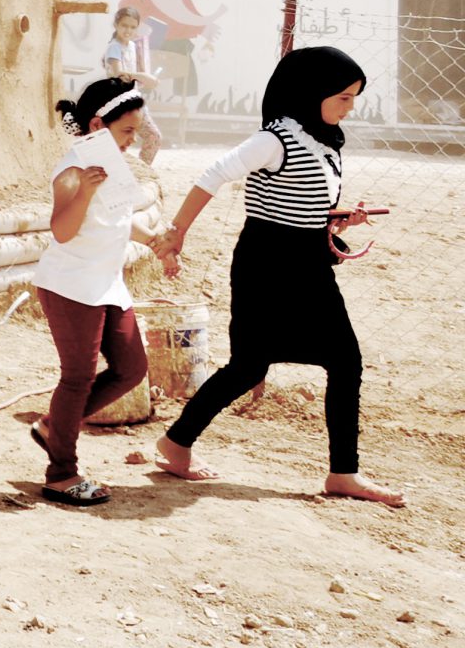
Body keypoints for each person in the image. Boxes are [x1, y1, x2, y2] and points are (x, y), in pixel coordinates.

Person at [152, 46, 403, 506]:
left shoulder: (323, 138)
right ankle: (175, 445)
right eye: (344, 97)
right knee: (249, 366)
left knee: (344, 361)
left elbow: (301, 201)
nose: (351, 107)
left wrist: (339, 218)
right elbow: (213, 174)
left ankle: (343, 473)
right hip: (267, 267)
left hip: (307, 263)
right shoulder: (276, 138)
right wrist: (177, 233)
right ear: (311, 92)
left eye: (354, 97)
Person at [26, 77, 160, 506]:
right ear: (99, 123)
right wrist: (83, 190)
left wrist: (157, 240)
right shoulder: (72, 168)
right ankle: (60, 474)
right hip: (70, 285)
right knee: (78, 378)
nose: (132, 140)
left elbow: (120, 219)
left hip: (106, 284)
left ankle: (54, 427)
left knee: (131, 369)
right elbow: (63, 230)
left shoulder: (111, 163)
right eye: (127, 131)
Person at [99, 5, 167, 163]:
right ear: (116, 25)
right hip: (118, 103)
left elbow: (134, 75)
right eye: (124, 25)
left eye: (132, 27)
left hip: (134, 100)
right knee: (120, 142)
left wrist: (148, 79)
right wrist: (142, 76)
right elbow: (118, 74)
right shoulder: (114, 47)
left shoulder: (132, 46)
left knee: (153, 136)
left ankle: (143, 169)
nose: (128, 30)